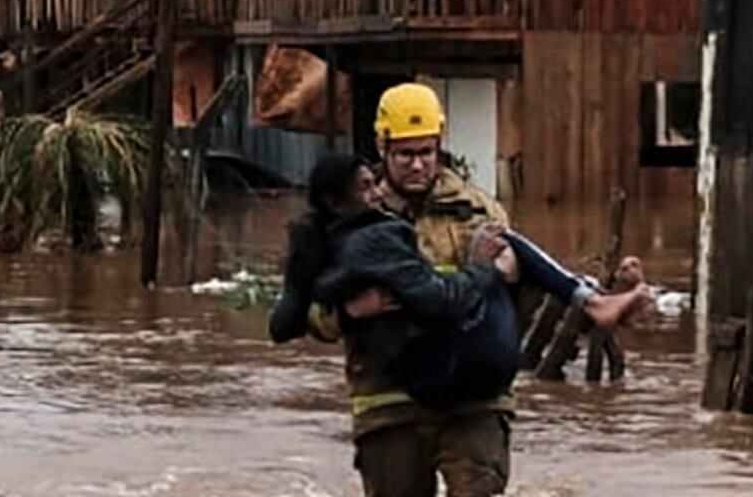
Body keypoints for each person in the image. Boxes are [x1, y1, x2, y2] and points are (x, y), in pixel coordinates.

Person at [272, 152, 646, 413]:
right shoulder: (374, 236)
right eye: (405, 154)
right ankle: (596, 300)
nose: (417, 164)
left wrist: (506, 275)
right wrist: (347, 315)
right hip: (395, 387)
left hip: (468, 383)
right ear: (384, 153)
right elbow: (295, 321)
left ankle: (599, 300)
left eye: (426, 151)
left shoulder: (475, 208)